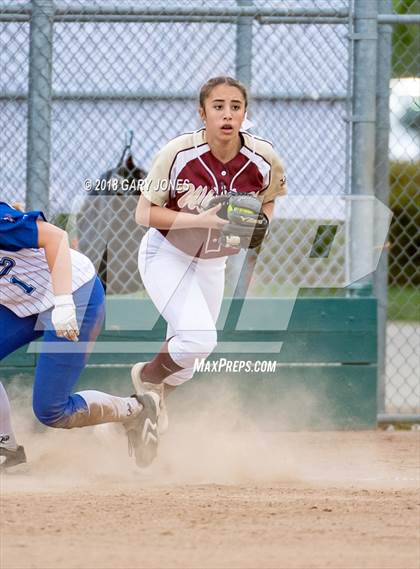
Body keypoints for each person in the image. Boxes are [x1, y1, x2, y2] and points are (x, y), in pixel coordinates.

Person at [131, 76, 287, 442]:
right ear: (202, 113)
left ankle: (142, 412)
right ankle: (149, 378)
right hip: (166, 253)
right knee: (200, 339)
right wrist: (199, 220)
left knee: (189, 361)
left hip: (213, 262)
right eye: (218, 106)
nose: (227, 114)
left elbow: (269, 197)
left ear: (244, 113)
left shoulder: (263, 158)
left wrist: (262, 221)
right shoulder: (179, 153)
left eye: (235, 106)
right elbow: (143, 214)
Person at [0, 201, 159, 469]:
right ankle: (7, 448)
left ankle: (136, 410)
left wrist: (63, 303)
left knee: (52, 411)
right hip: (19, 303)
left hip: (73, 291)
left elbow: (56, 237)